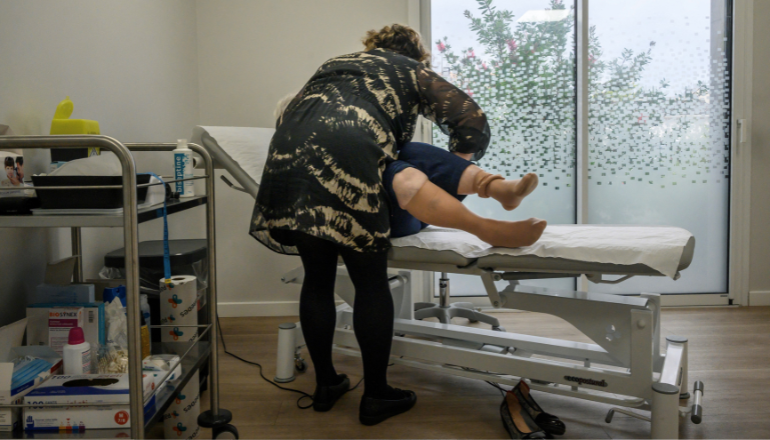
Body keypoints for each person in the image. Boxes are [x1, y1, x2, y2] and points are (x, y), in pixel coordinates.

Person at [252, 24, 546, 426]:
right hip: (356, 178)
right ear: (417, 57)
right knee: (372, 275)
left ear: (371, 47)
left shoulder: (334, 67)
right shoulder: (409, 70)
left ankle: (325, 386)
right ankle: (375, 395)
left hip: (290, 176)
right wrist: (455, 166)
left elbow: (296, 119)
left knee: (316, 281)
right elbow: (471, 121)